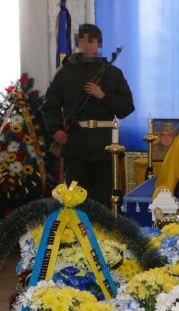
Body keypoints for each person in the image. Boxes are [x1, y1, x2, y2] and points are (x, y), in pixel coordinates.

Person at [41, 24, 135, 206]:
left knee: (103, 199)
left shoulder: (113, 73)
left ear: (99, 43)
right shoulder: (64, 73)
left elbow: (127, 107)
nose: (87, 44)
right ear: (78, 43)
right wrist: (56, 130)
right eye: (83, 40)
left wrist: (103, 96)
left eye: (92, 40)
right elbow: (49, 107)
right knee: (75, 199)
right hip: (75, 143)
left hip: (105, 146)